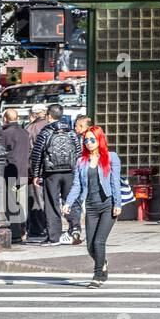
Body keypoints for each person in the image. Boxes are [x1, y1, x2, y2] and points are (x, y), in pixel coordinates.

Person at [61, 119, 122, 288]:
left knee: (98, 242)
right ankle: (102, 262)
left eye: (92, 139)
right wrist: (69, 202)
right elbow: (76, 185)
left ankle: (97, 276)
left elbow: (115, 182)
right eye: (86, 140)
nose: (88, 143)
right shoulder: (81, 162)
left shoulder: (111, 158)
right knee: (89, 246)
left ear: (99, 140)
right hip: (91, 206)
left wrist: (118, 203)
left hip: (107, 205)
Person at [34, 105, 82, 245]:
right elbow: (78, 152)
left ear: (49, 116)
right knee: (70, 200)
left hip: (51, 173)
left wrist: (36, 173)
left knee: (51, 203)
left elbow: (37, 154)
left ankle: (54, 236)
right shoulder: (71, 131)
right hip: (69, 171)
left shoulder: (46, 132)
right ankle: (75, 229)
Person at [0, 109, 32, 243]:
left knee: (11, 204)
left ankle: (15, 233)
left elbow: (0, 153)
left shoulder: (4, 134)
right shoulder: (25, 132)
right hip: (23, 172)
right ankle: (23, 229)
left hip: (10, 173)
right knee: (22, 203)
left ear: (5, 119)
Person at [24, 106, 50, 241]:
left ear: (33, 114)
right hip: (52, 170)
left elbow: (28, 151)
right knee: (50, 199)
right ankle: (50, 227)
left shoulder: (30, 128)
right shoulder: (51, 126)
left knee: (36, 199)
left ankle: (37, 228)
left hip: (35, 170)